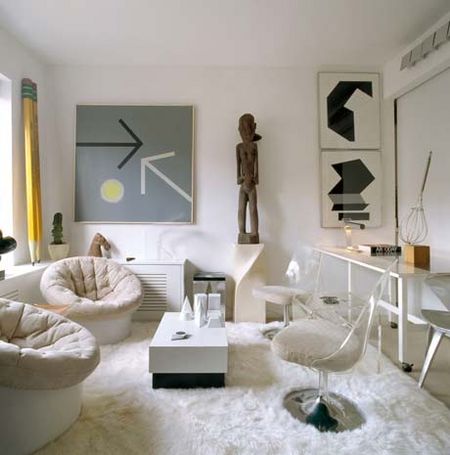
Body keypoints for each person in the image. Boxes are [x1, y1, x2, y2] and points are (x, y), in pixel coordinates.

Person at [236, 113, 261, 244]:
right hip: (243, 184)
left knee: (253, 208)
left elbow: (257, 166)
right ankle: (242, 232)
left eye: (248, 129)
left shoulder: (254, 146)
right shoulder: (239, 147)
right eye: (243, 129)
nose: (246, 132)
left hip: (251, 184)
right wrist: (241, 178)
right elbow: (237, 168)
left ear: (253, 128)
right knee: (241, 209)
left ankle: (254, 232)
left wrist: (254, 179)